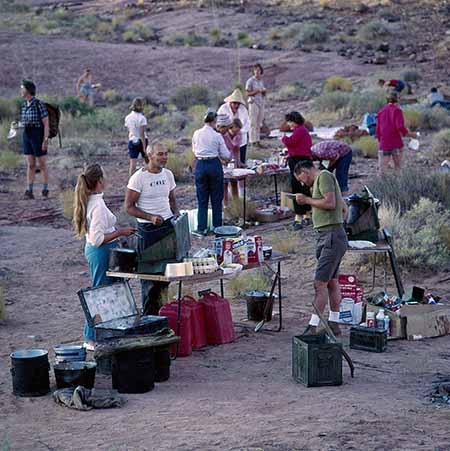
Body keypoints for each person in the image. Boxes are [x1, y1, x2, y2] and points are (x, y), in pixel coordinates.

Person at [73, 163, 136, 350]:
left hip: (100, 251)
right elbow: (97, 238)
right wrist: (121, 232)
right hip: (100, 251)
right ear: (100, 181)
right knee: (99, 293)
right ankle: (90, 338)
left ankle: (104, 333)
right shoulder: (98, 205)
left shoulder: (93, 200)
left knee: (106, 292)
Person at [293, 160, 348, 337]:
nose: (302, 183)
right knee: (331, 282)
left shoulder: (323, 177)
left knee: (320, 283)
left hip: (331, 236)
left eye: (301, 179)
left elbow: (331, 203)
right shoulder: (323, 180)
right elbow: (342, 208)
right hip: (331, 234)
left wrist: (307, 200)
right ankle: (334, 323)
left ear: (305, 171)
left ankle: (312, 326)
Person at [125, 142, 180, 315]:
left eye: (166, 153)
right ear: (150, 156)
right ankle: (149, 318)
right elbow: (128, 207)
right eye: (160, 154)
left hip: (167, 228)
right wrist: (150, 217)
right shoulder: (138, 178)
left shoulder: (168, 174)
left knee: (165, 276)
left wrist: (177, 215)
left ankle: (163, 316)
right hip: (148, 231)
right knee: (149, 278)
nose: (165, 157)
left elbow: (171, 199)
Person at [192, 111, 231, 235]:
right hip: (214, 164)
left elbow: (194, 149)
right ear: (214, 122)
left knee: (202, 198)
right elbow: (225, 155)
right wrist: (228, 158)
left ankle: (201, 227)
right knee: (216, 197)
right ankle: (217, 227)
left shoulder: (196, 133)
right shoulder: (217, 136)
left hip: (200, 165)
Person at [281, 111, 313, 230]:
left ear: (294, 121)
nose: (288, 124)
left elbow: (291, 142)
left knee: (297, 187)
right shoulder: (303, 130)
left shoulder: (299, 130)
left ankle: (299, 216)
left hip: (298, 161)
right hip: (302, 159)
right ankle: (306, 214)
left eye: (289, 121)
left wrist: (284, 139)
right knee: (304, 187)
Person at [20, 80, 50, 200]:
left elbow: (46, 123)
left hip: (38, 134)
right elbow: (25, 121)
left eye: (22, 88)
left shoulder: (39, 104)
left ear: (27, 90)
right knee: (31, 164)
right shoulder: (24, 105)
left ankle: (45, 189)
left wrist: (45, 139)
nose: (20, 91)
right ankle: (29, 190)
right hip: (26, 135)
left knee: (42, 164)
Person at [376, 93, 417, 175]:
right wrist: (410, 134)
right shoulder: (397, 110)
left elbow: (377, 130)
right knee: (397, 168)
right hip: (396, 143)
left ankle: (382, 187)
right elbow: (400, 127)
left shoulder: (381, 112)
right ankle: (397, 186)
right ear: (397, 100)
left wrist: (381, 141)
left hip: (384, 143)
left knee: (382, 169)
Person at [217, 88, 250, 166]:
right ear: (230, 102)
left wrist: (239, 131)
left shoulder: (243, 109)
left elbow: (247, 123)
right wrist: (228, 130)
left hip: (240, 136)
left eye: (238, 103)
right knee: (226, 159)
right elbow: (218, 123)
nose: (236, 105)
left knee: (240, 158)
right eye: (234, 103)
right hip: (226, 136)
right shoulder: (223, 108)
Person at [221, 118, 243, 205]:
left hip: (232, 160)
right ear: (230, 127)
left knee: (234, 182)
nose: (237, 133)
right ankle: (225, 205)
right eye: (235, 131)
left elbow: (237, 149)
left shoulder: (239, 134)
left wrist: (239, 162)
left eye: (238, 131)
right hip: (224, 160)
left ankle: (236, 204)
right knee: (224, 184)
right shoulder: (223, 135)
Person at [125, 98, 148, 176]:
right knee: (147, 161)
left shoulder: (128, 117)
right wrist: (144, 148)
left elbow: (129, 129)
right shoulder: (142, 118)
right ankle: (148, 178)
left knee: (133, 163)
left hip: (132, 140)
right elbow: (142, 134)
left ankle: (131, 182)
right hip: (141, 140)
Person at [246, 63, 266, 147]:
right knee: (253, 122)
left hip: (260, 102)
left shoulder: (261, 81)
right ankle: (252, 141)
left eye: (259, 70)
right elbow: (247, 93)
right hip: (253, 102)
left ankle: (257, 140)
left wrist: (263, 92)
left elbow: (262, 93)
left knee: (259, 122)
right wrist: (257, 91)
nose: (257, 72)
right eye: (256, 70)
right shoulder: (250, 81)